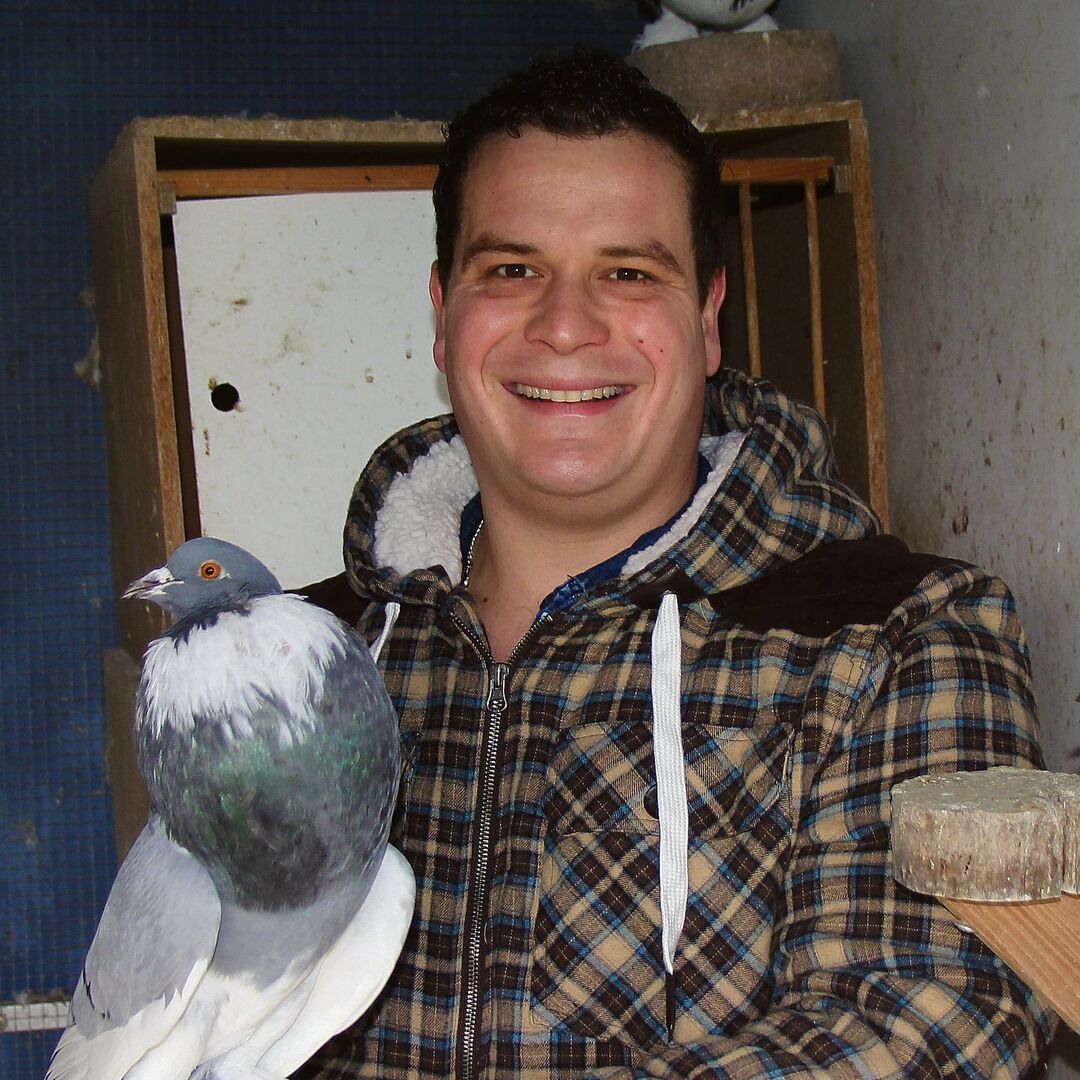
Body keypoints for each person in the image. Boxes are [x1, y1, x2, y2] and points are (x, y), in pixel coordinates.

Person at [301, 51, 1053, 1079]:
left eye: (629, 272)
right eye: (512, 269)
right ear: (442, 314)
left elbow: (931, 1018)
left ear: (706, 321)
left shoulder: (898, 635)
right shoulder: (304, 661)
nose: (566, 325)